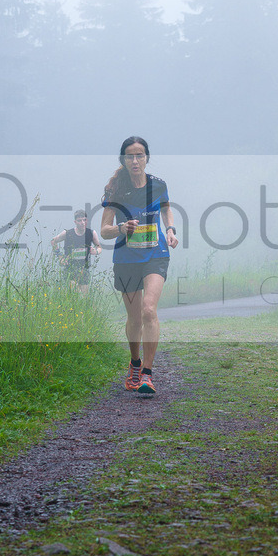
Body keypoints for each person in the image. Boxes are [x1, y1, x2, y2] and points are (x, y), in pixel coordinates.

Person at [99, 136, 178, 395]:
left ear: (147, 158)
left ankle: (147, 373)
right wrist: (122, 228)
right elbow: (104, 231)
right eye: (130, 156)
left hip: (156, 254)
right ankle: (134, 363)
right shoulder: (115, 190)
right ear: (123, 159)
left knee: (148, 310)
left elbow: (167, 209)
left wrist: (171, 230)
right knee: (134, 319)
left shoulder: (158, 185)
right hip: (126, 259)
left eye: (139, 155)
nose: (135, 160)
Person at [50, 210, 102, 293]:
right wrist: (60, 257)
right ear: (75, 222)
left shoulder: (91, 233)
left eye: (84, 220)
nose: (82, 223)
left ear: (87, 221)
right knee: (75, 294)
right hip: (70, 269)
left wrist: (95, 251)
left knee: (84, 298)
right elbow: (53, 241)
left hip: (84, 269)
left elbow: (99, 248)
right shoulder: (67, 233)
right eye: (79, 220)